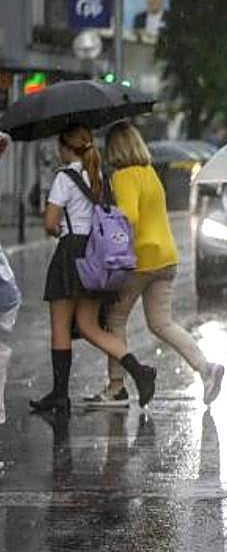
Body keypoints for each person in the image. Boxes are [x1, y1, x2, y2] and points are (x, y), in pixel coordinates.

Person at [85, 122, 225, 408]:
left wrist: (103, 214)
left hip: (141, 260)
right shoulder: (150, 174)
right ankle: (205, 367)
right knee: (162, 323)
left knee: (115, 320)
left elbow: (129, 220)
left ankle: (116, 388)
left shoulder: (124, 176)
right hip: (166, 257)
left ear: (115, 148)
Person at [31, 124, 157, 414]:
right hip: (95, 254)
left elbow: (50, 223)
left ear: (65, 148)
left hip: (71, 253)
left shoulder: (64, 177)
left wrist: (60, 229)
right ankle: (138, 371)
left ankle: (60, 395)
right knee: (88, 326)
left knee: (61, 326)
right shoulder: (99, 175)